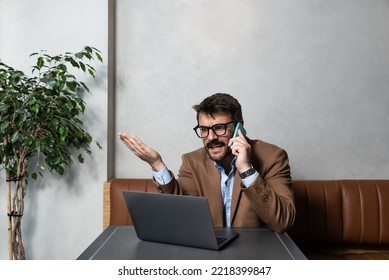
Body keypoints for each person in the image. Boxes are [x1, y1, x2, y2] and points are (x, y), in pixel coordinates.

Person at [119, 93, 295, 233]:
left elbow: (282, 222)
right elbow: (181, 214)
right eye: (204, 130)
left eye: (219, 128)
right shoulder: (192, 161)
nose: (211, 138)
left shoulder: (273, 157)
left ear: (239, 127)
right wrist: (157, 164)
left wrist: (246, 169)